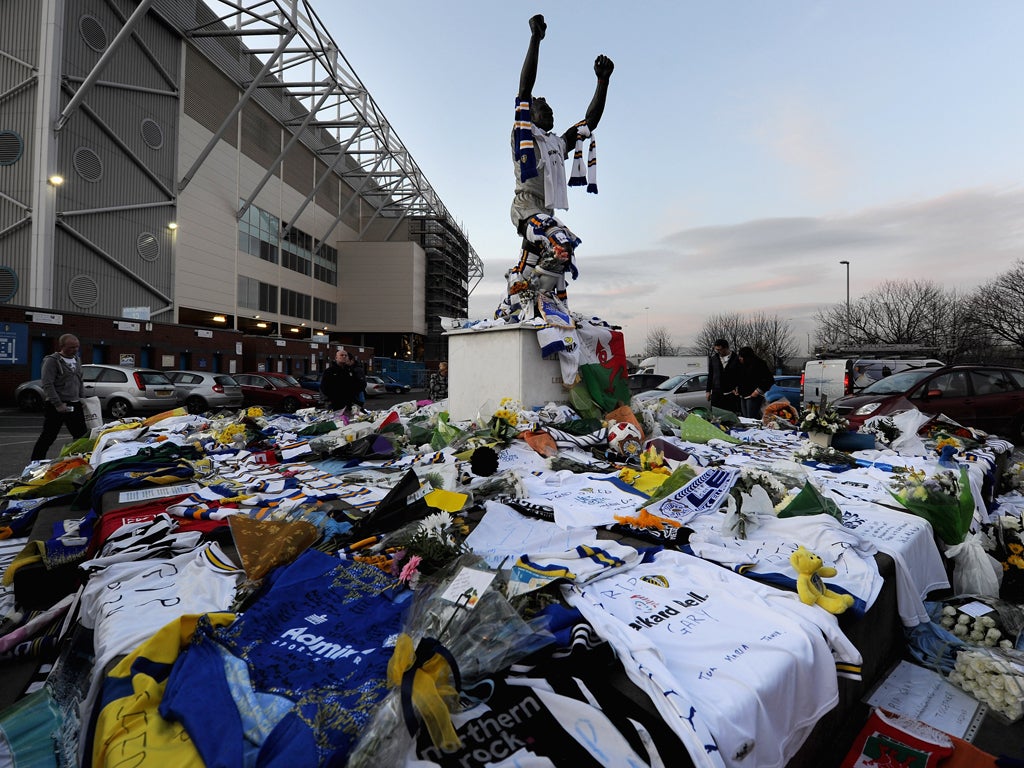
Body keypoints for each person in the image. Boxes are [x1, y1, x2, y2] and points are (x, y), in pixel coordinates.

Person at [497, 14, 614, 321]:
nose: (548, 109)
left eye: (550, 108)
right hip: (526, 209)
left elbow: (589, 123)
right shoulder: (523, 133)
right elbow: (525, 88)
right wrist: (535, 38)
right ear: (530, 113)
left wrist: (603, 82)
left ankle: (518, 299)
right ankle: (529, 292)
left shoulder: (556, 144)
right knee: (560, 241)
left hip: (545, 213)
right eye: (542, 107)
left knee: (548, 261)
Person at [31, 333, 87, 461]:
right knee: (49, 436)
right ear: (62, 346)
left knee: (82, 436)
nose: (75, 350)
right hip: (57, 406)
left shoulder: (77, 359)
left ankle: (79, 460)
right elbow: (47, 384)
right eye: (72, 347)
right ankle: (36, 461)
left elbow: (80, 380)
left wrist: (82, 398)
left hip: (75, 404)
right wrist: (58, 404)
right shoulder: (52, 361)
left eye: (77, 347)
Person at [734, 346, 775, 419]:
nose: (740, 359)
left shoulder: (759, 364)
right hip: (743, 394)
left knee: (752, 417)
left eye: (741, 357)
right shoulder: (741, 365)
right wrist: (737, 387)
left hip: (753, 395)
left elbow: (769, 380)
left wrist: (758, 391)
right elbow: (739, 377)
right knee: (745, 417)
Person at [706, 339, 741, 414]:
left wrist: (738, 387)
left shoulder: (736, 358)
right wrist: (708, 391)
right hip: (716, 393)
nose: (718, 351)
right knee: (716, 415)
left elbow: (740, 375)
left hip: (731, 394)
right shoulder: (714, 359)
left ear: (726, 348)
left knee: (731, 416)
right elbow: (710, 375)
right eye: (716, 349)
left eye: (720, 349)